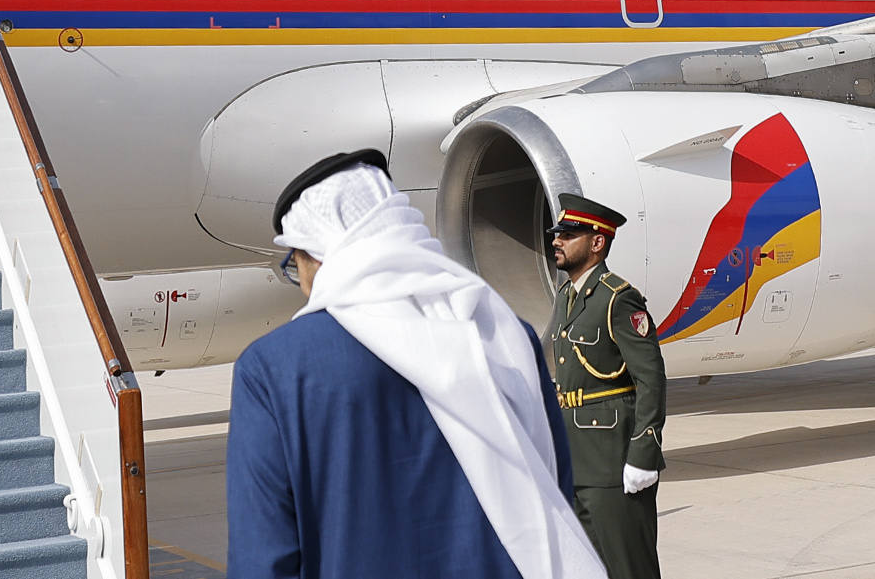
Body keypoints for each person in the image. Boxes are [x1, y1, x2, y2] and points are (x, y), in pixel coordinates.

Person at [228, 150, 605, 579]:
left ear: (315, 253)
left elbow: (261, 560)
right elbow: (553, 487)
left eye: (294, 267)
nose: (303, 287)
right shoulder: (505, 333)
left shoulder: (272, 369)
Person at [546, 194, 667, 579]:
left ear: (597, 242)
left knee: (629, 569)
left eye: (569, 235)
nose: (557, 241)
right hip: (576, 460)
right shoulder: (567, 296)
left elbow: (650, 378)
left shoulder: (618, 299)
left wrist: (644, 454)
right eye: (557, 234)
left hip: (614, 462)